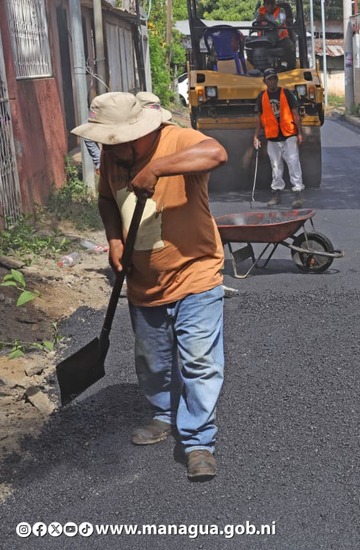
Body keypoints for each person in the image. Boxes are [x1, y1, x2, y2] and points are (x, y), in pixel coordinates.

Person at [71, 92, 229, 480]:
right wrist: (113, 241)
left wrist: (159, 168)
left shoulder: (177, 140)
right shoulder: (114, 155)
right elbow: (107, 200)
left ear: (138, 130)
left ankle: (198, 442)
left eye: (119, 142)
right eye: (107, 143)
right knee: (153, 362)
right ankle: (164, 413)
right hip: (142, 281)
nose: (113, 149)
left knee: (199, 361)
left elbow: (217, 154)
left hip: (195, 272)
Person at [254, 67, 305, 208]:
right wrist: (256, 136)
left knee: (293, 163)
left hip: (289, 135)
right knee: (275, 166)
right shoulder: (262, 96)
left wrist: (300, 133)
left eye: (274, 78)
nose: (272, 81)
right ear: (264, 81)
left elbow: (295, 114)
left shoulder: (286, 93)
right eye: (269, 79)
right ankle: (276, 194)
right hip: (272, 137)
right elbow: (259, 118)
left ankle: (298, 194)